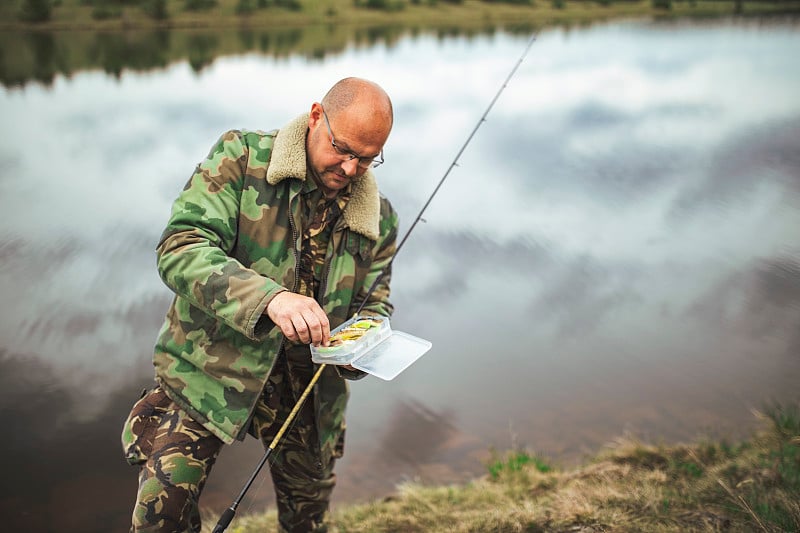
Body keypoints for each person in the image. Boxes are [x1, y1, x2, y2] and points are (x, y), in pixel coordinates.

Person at [121, 77, 398, 532]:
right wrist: (270, 298)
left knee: (306, 521)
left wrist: (363, 344)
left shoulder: (379, 218)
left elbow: (376, 304)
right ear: (315, 117)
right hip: (207, 370)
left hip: (308, 390)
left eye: (367, 159)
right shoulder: (240, 157)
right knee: (160, 517)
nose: (350, 168)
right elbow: (181, 248)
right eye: (342, 148)